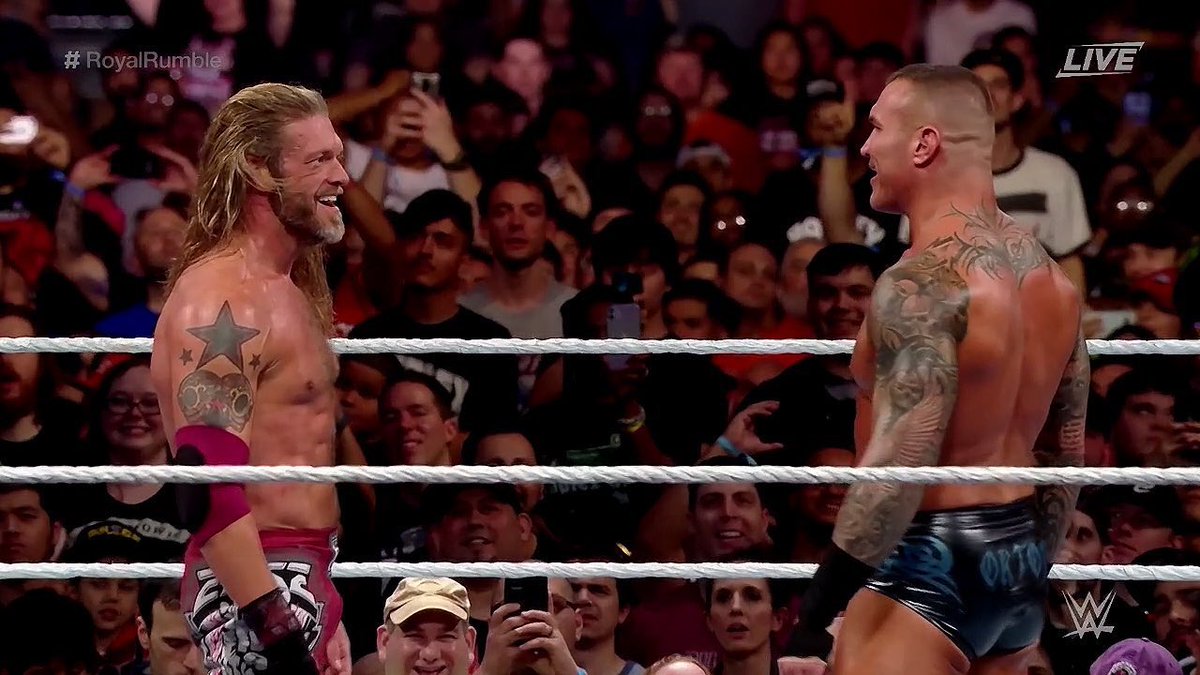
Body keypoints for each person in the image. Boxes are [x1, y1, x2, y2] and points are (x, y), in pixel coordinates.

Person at [797, 64, 1087, 674]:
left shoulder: (925, 281)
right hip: (1020, 556)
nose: (865, 147)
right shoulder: (1051, 280)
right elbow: (1065, 448)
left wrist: (818, 604)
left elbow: (904, 454)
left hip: (925, 555)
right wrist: (1032, 563)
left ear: (924, 144)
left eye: (877, 128)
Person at [150, 82, 352, 674]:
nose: (341, 177)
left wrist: (324, 607)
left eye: (338, 156)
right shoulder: (225, 299)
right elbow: (206, 485)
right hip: (257, 582)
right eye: (319, 160)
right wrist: (278, 631)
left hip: (298, 570)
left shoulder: (286, 290)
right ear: (259, 169)